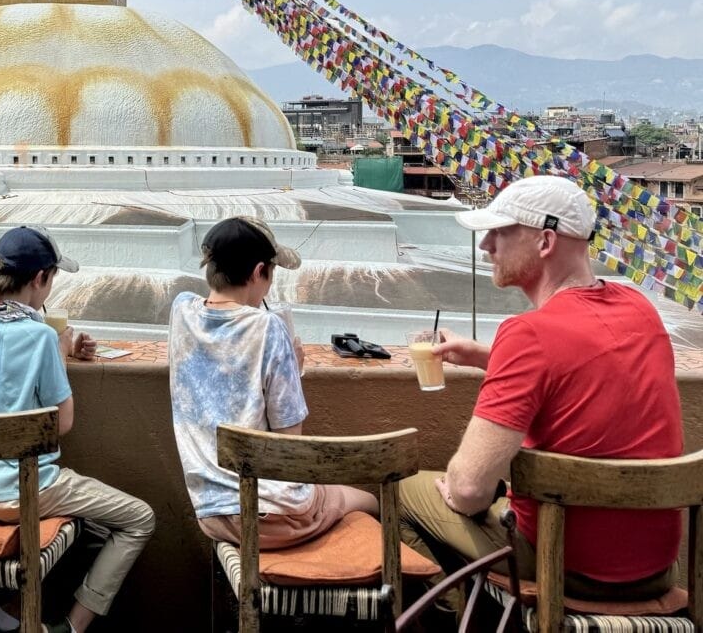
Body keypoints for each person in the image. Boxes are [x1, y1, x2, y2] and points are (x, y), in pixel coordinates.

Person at [399, 175, 682, 600]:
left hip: (567, 565)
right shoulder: (639, 308)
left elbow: (470, 490)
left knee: (403, 492)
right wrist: (487, 357)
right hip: (656, 570)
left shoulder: (528, 334)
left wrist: (458, 493)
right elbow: (579, 371)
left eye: (499, 232)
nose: (486, 245)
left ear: (545, 242)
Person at [0, 225, 155, 633]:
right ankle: (72, 627)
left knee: (91, 527)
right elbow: (61, 423)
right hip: (28, 486)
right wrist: (57, 348)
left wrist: (59, 349)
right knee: (139, 518)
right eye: (52, 278)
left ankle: (8, 615)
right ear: (40, 279)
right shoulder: (40, 337)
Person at [169, 215, 379, 551]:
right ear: (258, 272)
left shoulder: (181, 310)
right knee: (371, 503)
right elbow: (288, 444)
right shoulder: (269, 328)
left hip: (212, 514)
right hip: (274, 516)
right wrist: (292, 369)